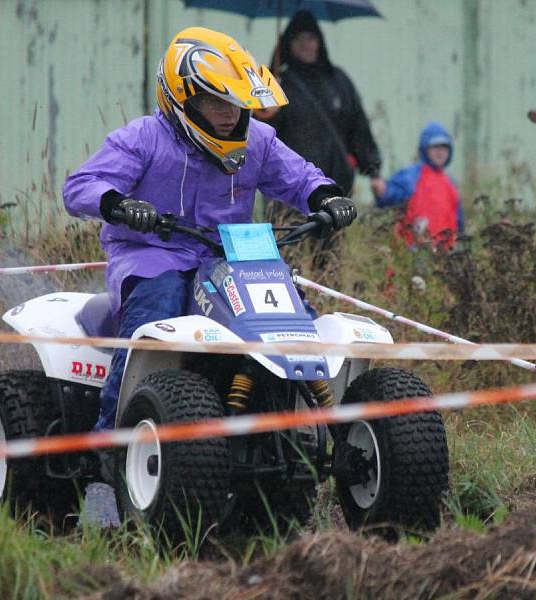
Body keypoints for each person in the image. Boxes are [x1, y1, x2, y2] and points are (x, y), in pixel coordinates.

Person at [63, 26, 355, 434]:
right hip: (152, 255)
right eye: (215, 102)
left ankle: (318, 429)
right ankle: (114, 435)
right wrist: (120, 205)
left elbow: (300, 177)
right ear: (182, 100)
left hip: (229, 257)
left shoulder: (257, 141)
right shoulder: (145, 137)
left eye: (234, 102)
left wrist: (326, 197)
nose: (229, 113)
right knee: (157, 308)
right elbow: (80, 186)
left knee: (293, 316)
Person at [258, 10, 385, 198]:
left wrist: (373, 171)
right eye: (298, 39)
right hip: (290, 190)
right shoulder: (276, 84)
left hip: (337, 186)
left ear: (319, 41)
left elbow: (358, 128)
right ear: (287, 43)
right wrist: (266, 107)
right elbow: (262, 136)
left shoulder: (338, 81)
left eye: (310, 38)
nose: (305, 45)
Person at [375, 121, 464, 251]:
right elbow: (390, 196)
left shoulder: (451, 183)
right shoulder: (412, 175)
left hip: (445, 253)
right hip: (414, 249)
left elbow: (458, 219)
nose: (440, 151)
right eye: (435, 147)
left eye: (444, 147)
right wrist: (382, 190)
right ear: (424, 149)